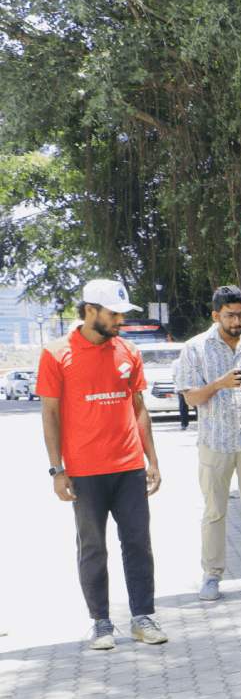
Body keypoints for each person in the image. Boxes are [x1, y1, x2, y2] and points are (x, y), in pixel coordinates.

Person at [37, 278, 167, 651]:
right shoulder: (56, 353)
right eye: (114, 314)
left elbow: (139, 408)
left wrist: (151, 459)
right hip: (84, 471)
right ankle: (101, 623)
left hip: (128, 468)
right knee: (93, 547)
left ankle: (143, 618)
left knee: (138, 543)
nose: (120, 321)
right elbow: (50, 415)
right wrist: (56, 470)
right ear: (90, 310)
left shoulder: (128, 350)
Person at [175, 285, 241, 600]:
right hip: (214, 441)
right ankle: (211, 576)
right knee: (214, 512)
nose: (237, 321)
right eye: (230, 315)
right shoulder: (195, 348)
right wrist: (221, 383)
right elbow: (192, 397)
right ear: (215, 315)